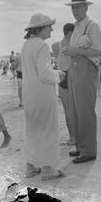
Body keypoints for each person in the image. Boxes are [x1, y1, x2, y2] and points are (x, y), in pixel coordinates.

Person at [21, 13, 66, 180]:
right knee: (48, 129)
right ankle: (48, 170)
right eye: (49, 26)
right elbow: (45, 74)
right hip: (42, 95)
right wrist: (58, 75)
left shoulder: (26, 45)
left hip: (29, 95)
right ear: (40, 28)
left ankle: (30, 167)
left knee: (32, 130)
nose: (52, 29)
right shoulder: (42, 46)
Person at [62, 0, 101, 163]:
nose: (75, 10)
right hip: (74, 69)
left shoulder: (92, 26)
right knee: (76, 110)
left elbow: (98, 50)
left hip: (86, 69)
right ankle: (80, 146)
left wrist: (76, 51)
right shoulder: (77, 26)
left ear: (86, 7)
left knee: (86, 110)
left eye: (78, 6)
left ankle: (89, 150)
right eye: (73, 7)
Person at [52, 23, 75, 146]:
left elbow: (58, 58)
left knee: (68, 111)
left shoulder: (56, 45)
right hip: (73, 76)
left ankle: (72, 138)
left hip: (62, 77)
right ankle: (78, 136)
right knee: (76, 109)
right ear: (70, 33)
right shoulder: (74, 45)